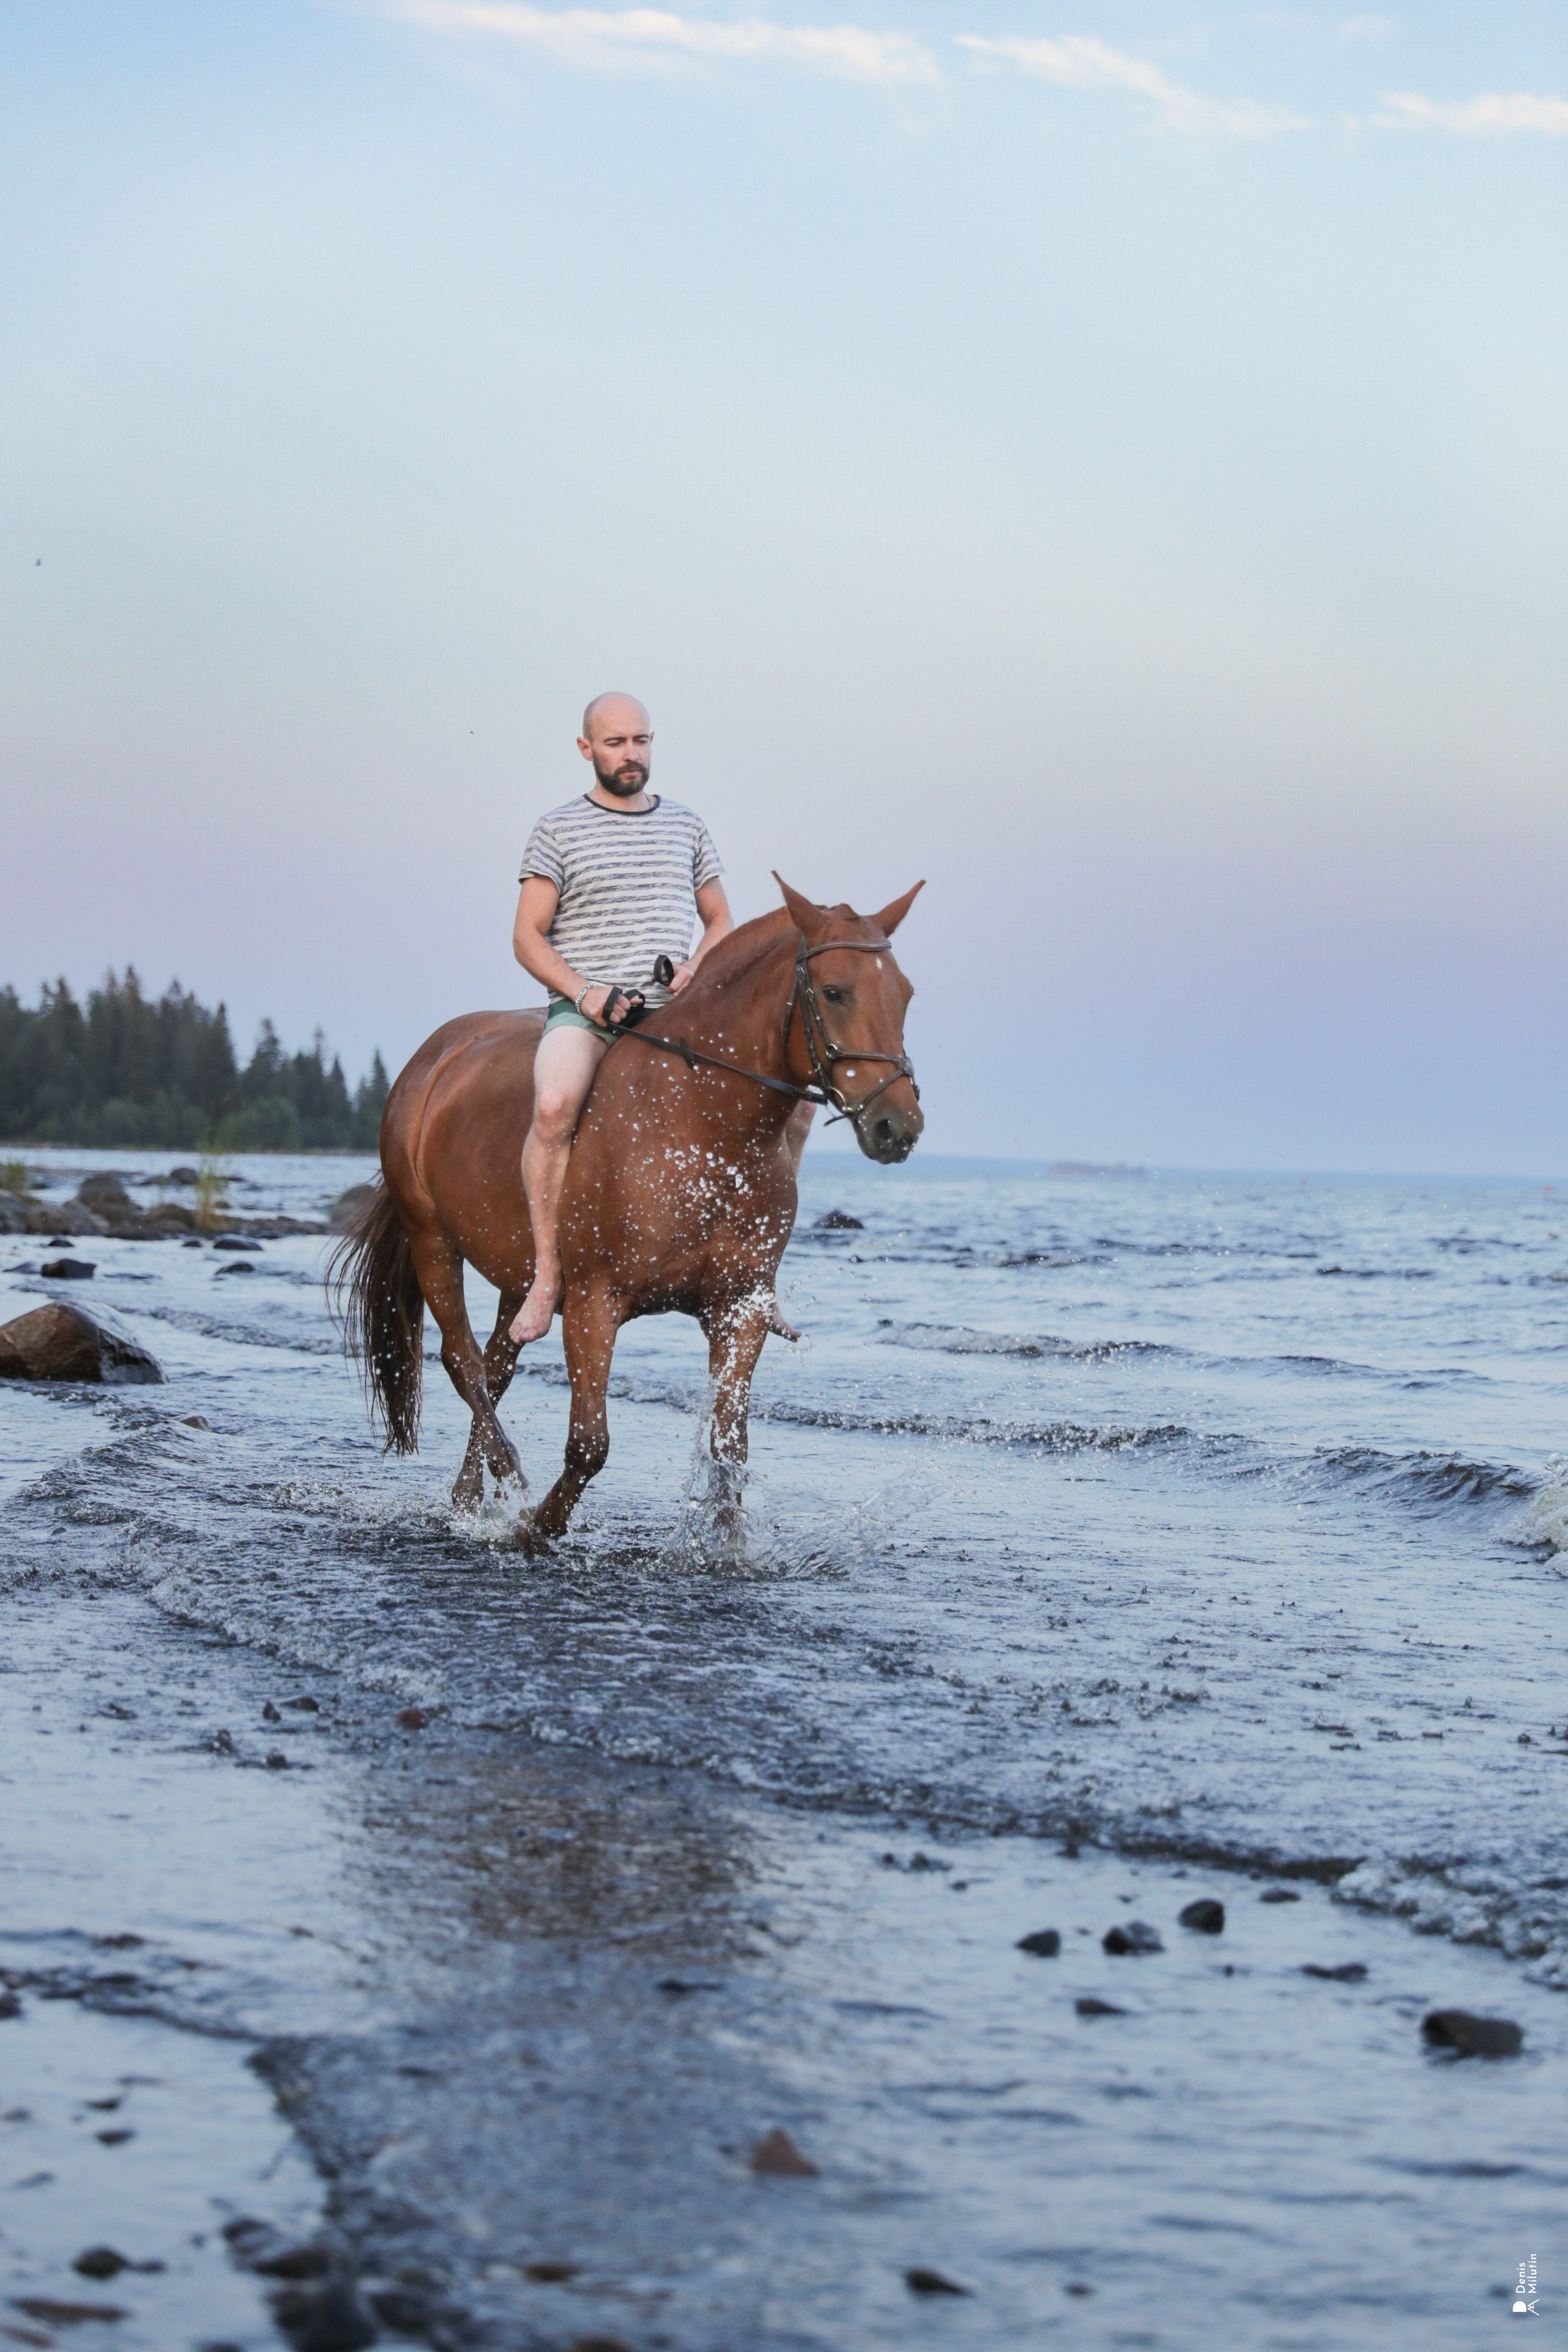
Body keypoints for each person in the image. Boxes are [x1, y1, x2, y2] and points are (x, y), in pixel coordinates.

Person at [508, 692, 810, 1346]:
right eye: (615, 743)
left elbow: (719, 921)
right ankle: (545, 1274)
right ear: (587, 750)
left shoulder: (685, 825)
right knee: (555, 1106)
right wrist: (587, 994)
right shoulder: (556, 829)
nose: (630, 755)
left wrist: (698, 967)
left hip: (675, 1015)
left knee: (796, 1104)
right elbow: (527, 938)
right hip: (588, 1011)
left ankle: (759, 1276)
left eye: (640, 741)